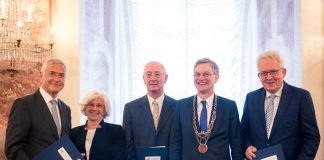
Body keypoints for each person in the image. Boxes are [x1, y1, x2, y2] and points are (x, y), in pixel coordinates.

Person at [241, 51, 321, 160]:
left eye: (273, 71)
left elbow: (312, 137)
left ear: (283, 72)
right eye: (264, 73)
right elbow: (244, 131)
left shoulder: (301, 97)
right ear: (259, 76)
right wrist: (248, 145)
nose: (269, 77)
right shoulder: (251, 98)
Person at [169, 58, 244, 160]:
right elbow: (175, 143)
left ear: (216, 77)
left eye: (206, 74)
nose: (201, 78)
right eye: (197, 74)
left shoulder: (229, 107)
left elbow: (237, 146)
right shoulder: (181, 106)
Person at [5, 59, 71, 160]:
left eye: (61, 75)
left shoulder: (66, 109)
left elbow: (64, 144)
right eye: (52, 73)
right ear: (41, 75)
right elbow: (13, 148)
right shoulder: (24, 105)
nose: (57, 79)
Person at [122, 61, 177, 160]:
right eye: (148, 75)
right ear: (143, 79)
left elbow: (179, 142)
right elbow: (128, 143)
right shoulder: (130, 109)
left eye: (157, 74)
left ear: (166, 78)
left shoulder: (177, 107)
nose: (153, 78)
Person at [69, 90, 125, 160]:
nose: (94, 108)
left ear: (105, 110)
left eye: (99, 105)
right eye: (91, 105)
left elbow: (119, 157)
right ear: (85, 108)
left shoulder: (115, 131)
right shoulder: (74, 133)